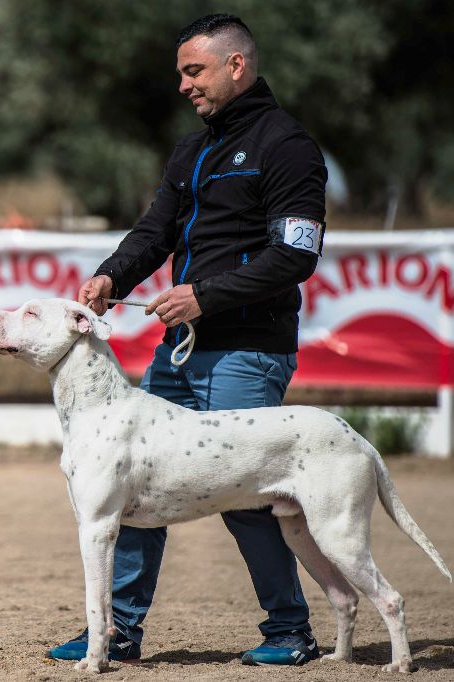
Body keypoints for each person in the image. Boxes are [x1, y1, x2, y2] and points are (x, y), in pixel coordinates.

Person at [48, 14, 327, 667]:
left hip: (249, 349)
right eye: (180, 73)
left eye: (193, 71)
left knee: (247, 494)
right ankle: (116, 631)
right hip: (180, 353)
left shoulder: (287, 146)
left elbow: (295, 256)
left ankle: (290, 631)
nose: (182, 85)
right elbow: (154, 231)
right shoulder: (192, 149)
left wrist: (205, 294)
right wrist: (112, 273)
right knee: (128, 482)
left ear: (236, 66)